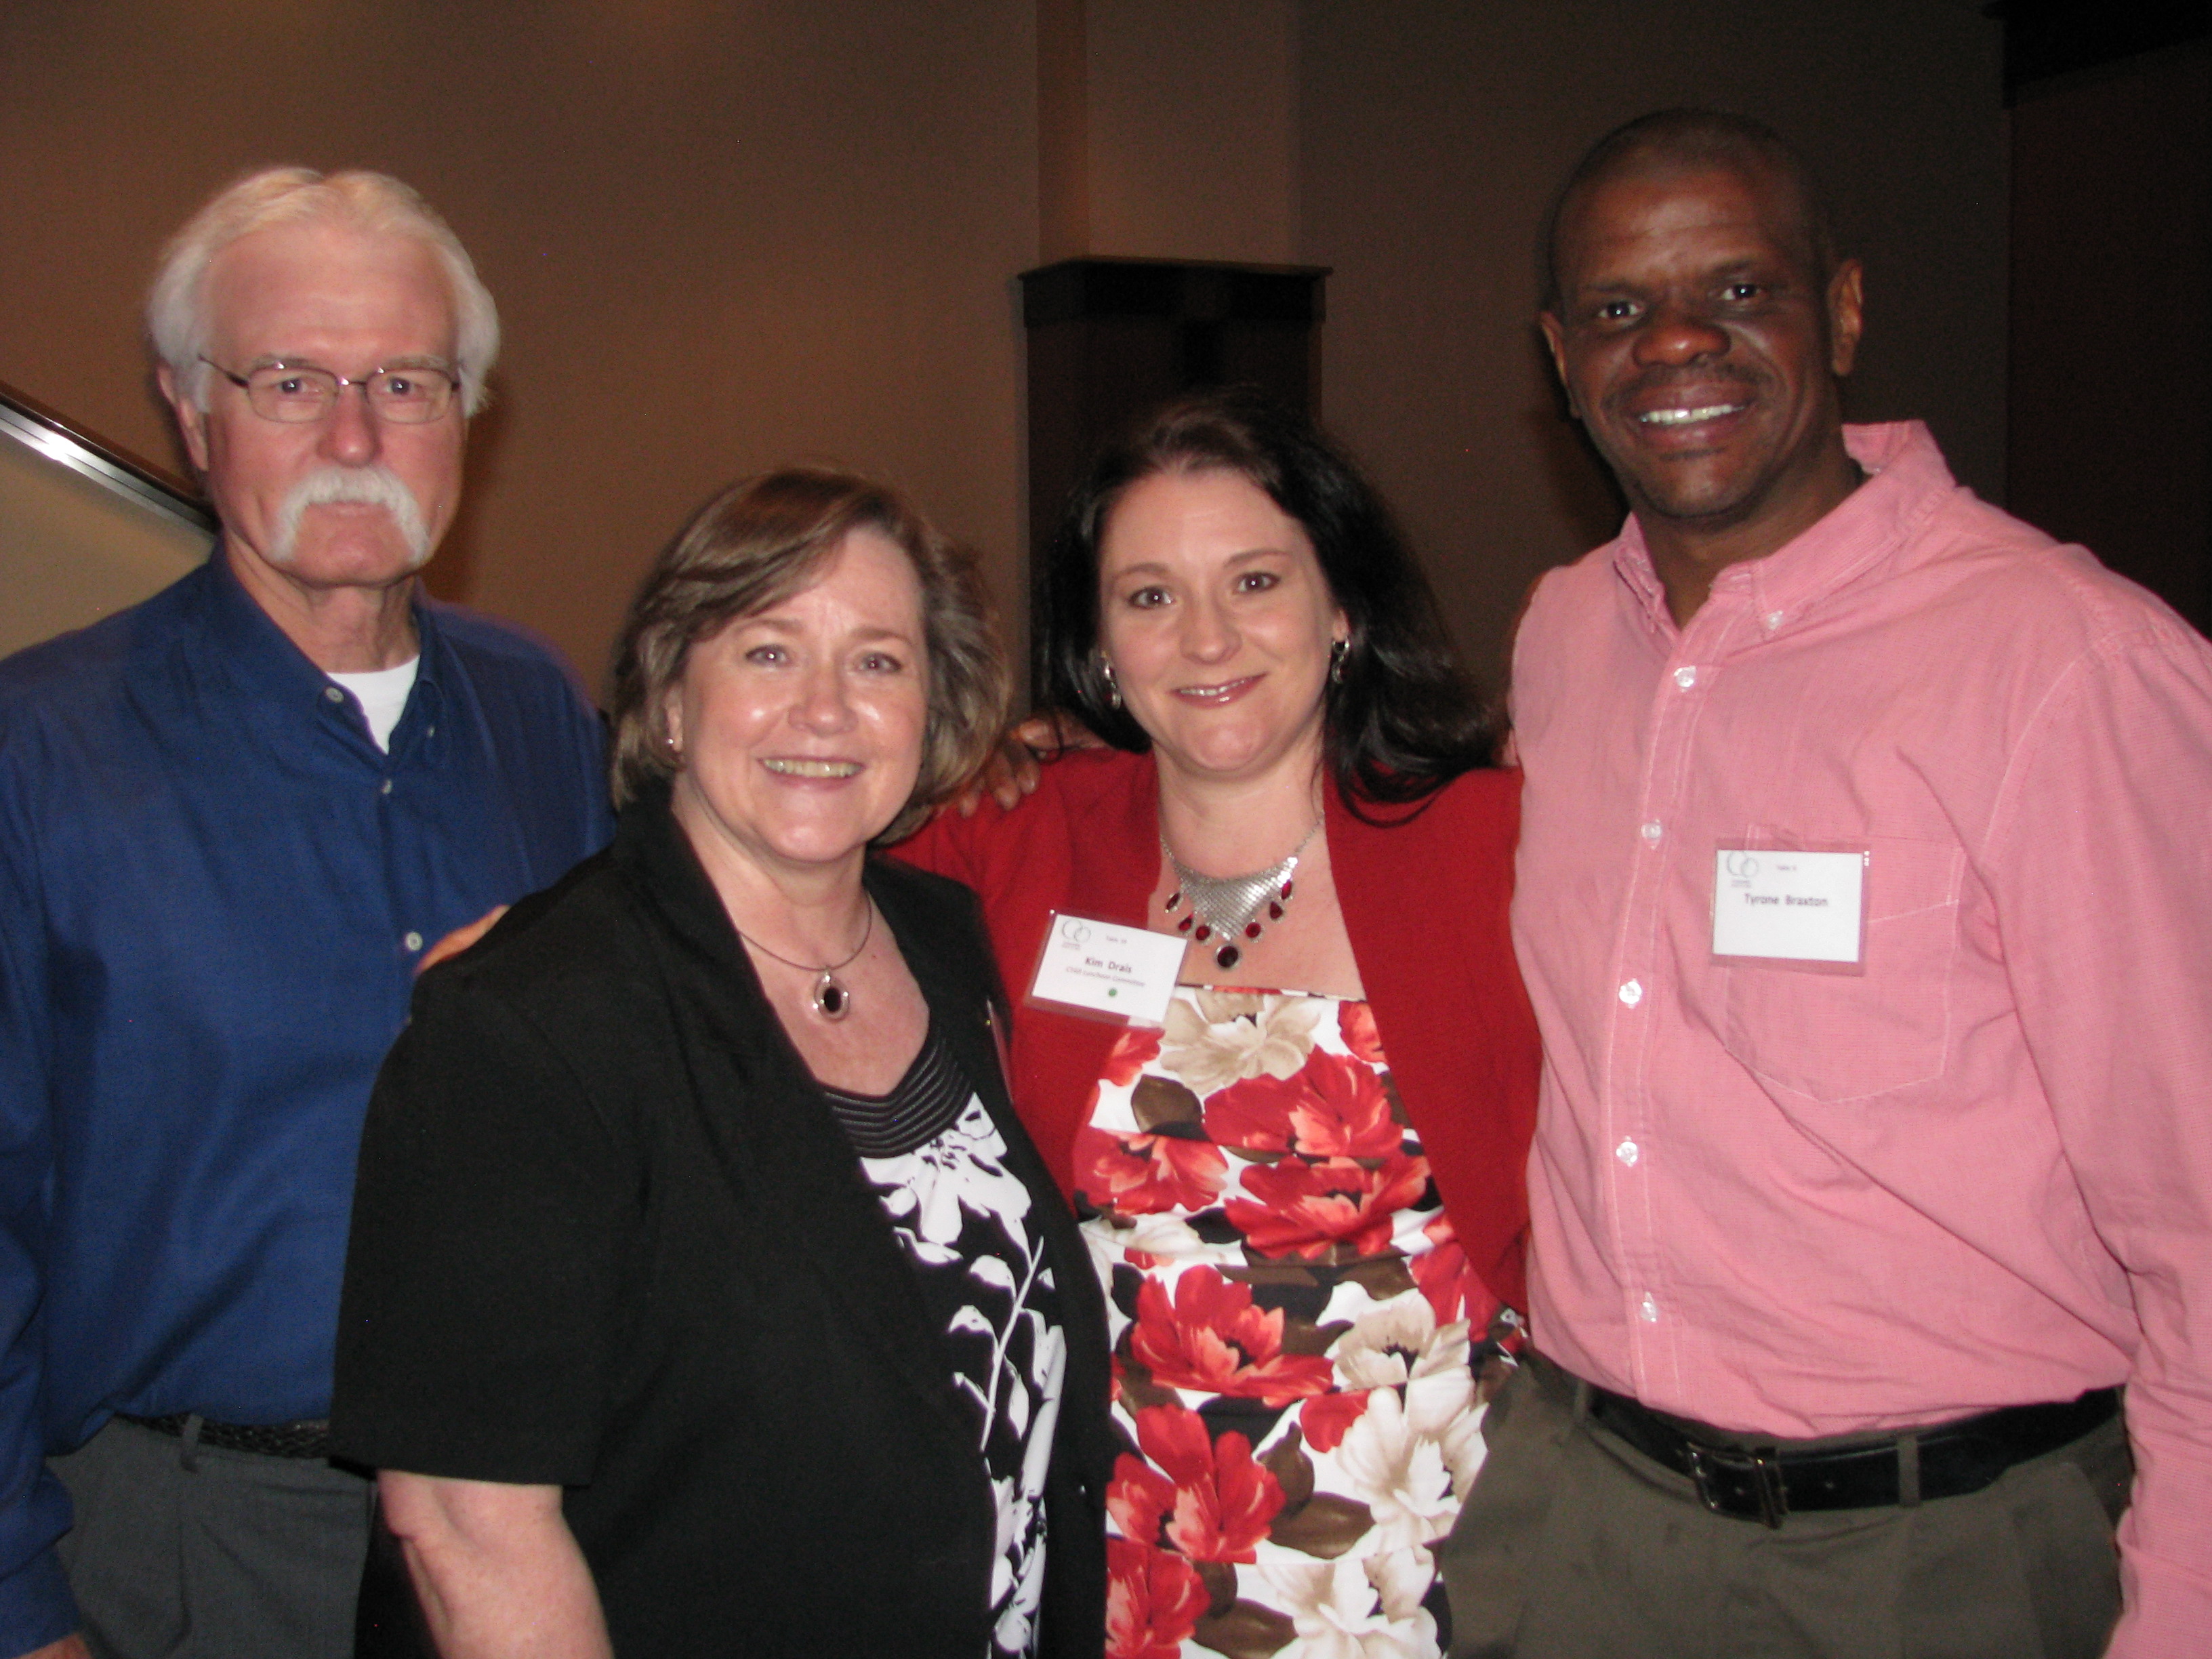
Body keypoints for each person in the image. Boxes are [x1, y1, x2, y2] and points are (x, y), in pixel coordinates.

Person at [1438, 109, 2212, 1659]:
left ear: (1842, 309)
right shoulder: (1562, 633)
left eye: (1737, 292)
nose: (1673, 346)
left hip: (1943, 1562)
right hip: (1590, 1527)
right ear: (1558, 353)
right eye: (1615, 309)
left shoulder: (2070, 666)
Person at [328, 468, 1115, 1659]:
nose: (825, 710)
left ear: (935, 705)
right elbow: (463, 1527)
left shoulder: (947, 946)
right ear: (672, 698)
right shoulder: (527, 1021)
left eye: (879, 661)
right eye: (766, 652)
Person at [0, 171, 610, 1659]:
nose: (354, 435)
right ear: (189, 411)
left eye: (405, 380)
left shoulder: (541, 712)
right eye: (290, 380)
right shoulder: (39, 750)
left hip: (530, 1521)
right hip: (190, 1546)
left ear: (468, 410)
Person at [896, 388, 1540, 1657]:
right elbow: (779, 868)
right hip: (1116, 1550)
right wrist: (564, 934)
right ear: (1100, 643)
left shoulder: (1494, 841)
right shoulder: (1022, 831)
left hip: (1431, 1556)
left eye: (1254, 581)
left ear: (1341, 605)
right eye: (1148, 596)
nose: (1204, 638)